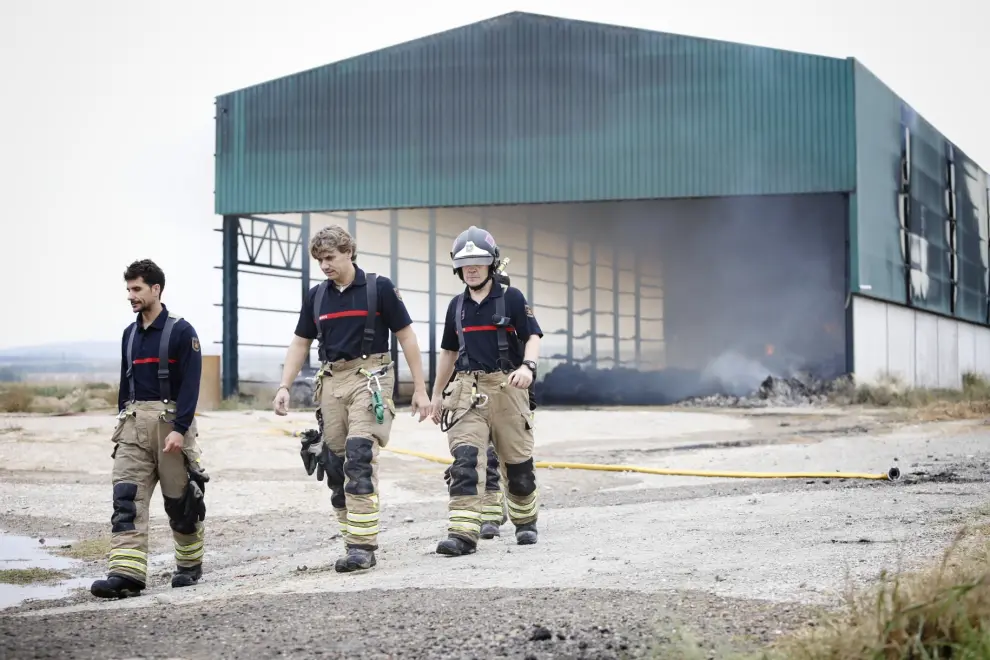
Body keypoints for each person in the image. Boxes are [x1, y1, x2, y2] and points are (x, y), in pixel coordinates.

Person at [274, 223, 431, 573]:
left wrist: (420, 389)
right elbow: (300, 342)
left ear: (349, 252)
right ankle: (352, 537)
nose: (325, 266)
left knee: (359, 456)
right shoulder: (317, 296)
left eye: (330, 258)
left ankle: (362, 548)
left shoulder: (380, 289)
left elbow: (406, 337)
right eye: (320, 260)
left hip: (370, 378)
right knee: (335, 465)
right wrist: (284, 386)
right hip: (331, 381)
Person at [90, 259, 208, 599]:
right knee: (126, 499)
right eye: (128, 289)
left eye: (137, 289)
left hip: (170, 425)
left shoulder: (182, 331)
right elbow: (124, 386)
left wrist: (180, 428)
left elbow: (190, 385)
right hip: (132, 426)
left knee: (181, 503)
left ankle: (188, 564)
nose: (131, 295)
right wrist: (121, 420)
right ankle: (125, 574)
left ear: (156, 289)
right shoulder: (129, 334)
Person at [430, 226, 543, 557]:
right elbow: (449, 353)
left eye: (478, 262)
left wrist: (527, 368)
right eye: (465, 264)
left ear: (491, 263)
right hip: (466, 391)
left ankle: (525, 521)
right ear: (457, 268)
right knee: (465, 461)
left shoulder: (512, 298)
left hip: (507, 387)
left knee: (517, 465)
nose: (472, 269)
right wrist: (436, 394)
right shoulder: (456, 307)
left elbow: (533, 336)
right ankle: (463, 533)